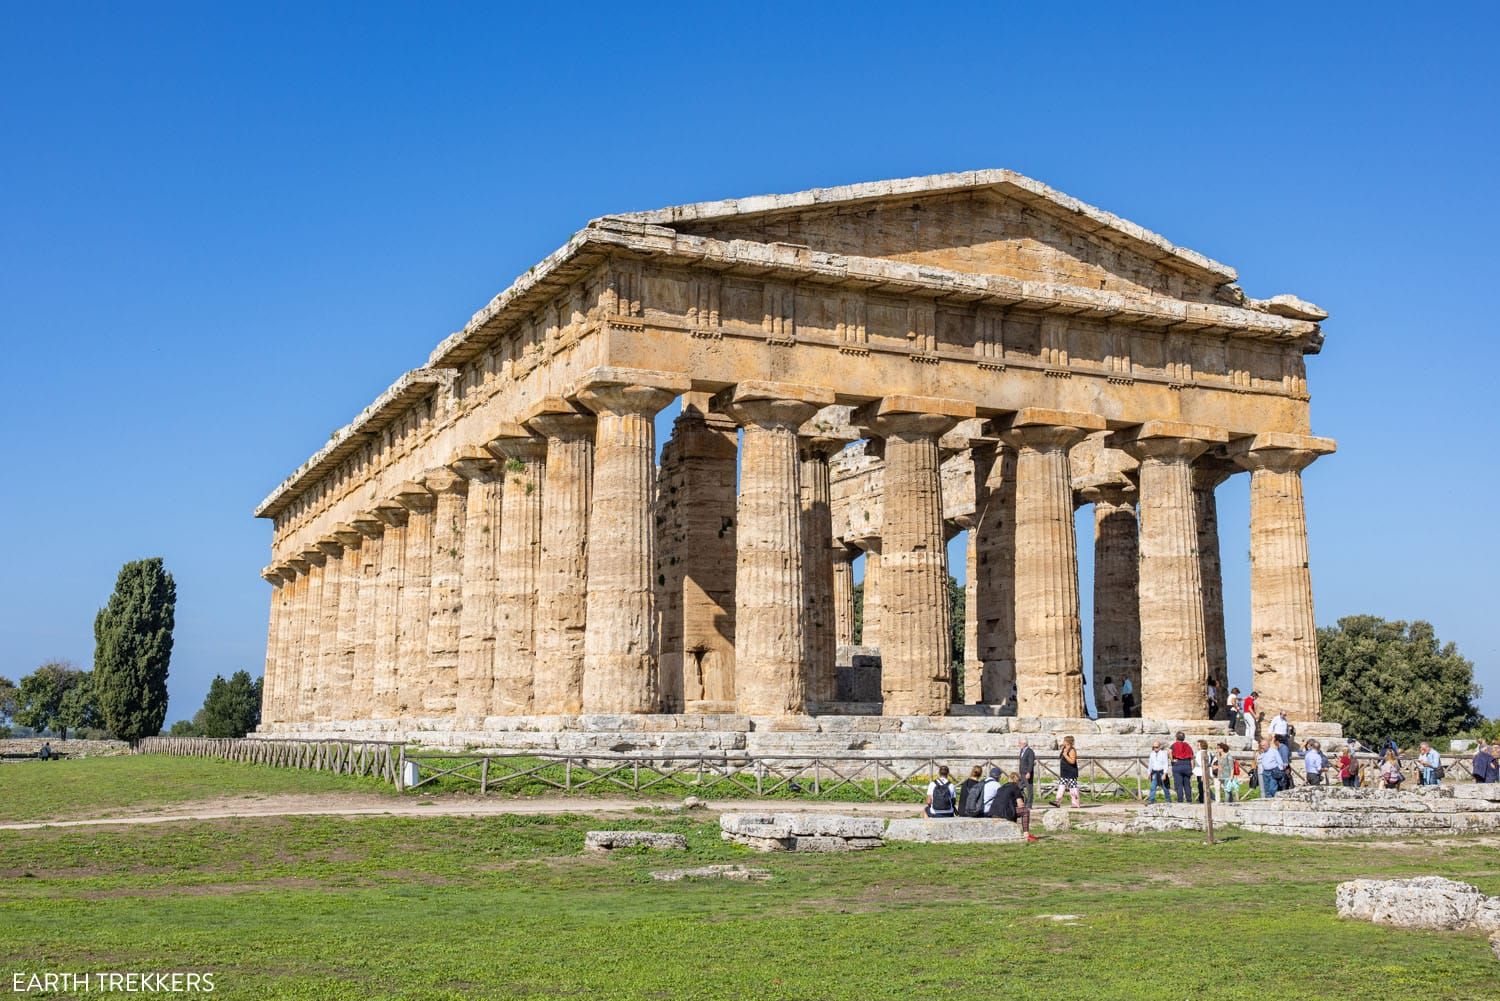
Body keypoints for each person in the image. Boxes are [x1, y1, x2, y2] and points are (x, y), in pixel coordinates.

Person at [989, 771, 1038, 842]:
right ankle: (1026, 834)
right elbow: (1020, 804)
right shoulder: (1015, 787)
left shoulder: (1001, 787)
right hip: (1004, 812)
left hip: (993, 811)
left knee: (1012, 809)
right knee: (1025, 811)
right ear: (1017, 781)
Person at [1054, 735, 1081, 808]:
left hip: (1071, 772)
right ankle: (1057, 801)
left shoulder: (1072, 750)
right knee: (1061, 787)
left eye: (1064, 741)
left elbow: (1072, 761)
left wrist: (1065, 755)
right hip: (1064, 772)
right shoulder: (1064, 748)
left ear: (1067, 742)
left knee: (1073, 788)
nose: (1063, 742)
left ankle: (1075, 803)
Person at [1169, 731, 1195, 804]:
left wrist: (1172, 760)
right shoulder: (1187, 745)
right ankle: (1189, 800)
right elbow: (1192, 757)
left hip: (1178, 764)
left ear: (1176, 737)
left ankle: (1180, 801)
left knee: (1179, 785)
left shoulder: (1174, 745)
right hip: (1187, 764)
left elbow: (1170, 752)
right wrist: (1192, 768)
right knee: (1187, 784)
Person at [1018, 740, 1036, 805]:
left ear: (1024, 744)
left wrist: (1029, 772)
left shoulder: (1030, 751)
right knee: (1019, 787)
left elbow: (1031, 763)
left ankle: (1029, 804)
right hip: (1022, 773)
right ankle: (1023, 801)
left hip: (1027, 773)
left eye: (1020, 743)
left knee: (1029, 789)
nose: (1019, 744)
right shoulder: (1022, 751)